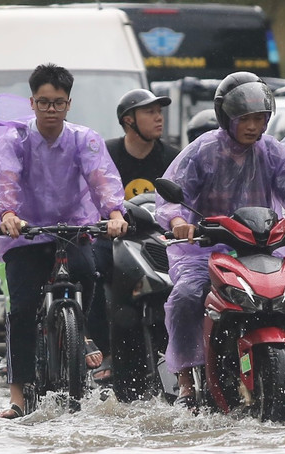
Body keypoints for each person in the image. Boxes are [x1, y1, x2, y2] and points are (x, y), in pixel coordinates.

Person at [156, 71, 285, 404]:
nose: (253, 126)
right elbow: (171, 196)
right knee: (186, 296)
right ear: (227, 117)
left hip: (263, 245)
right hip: (205, 248)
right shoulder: (203, 150)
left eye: (259, 118)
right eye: (245, 119)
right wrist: (180, 221)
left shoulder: (273, 152)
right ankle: (185, 378)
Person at [0, 62, 128, 419]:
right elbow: (5, 180)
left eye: (59, 103)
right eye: (44, 102)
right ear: (32, 102)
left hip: (72, 227)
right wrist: (8, 215)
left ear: (69, 104)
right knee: (20, 310)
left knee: (90, 273)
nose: (52, 110)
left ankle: (81, 335)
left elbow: (102, 178)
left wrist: (113, 213)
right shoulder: (14, 140)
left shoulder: (85, 139)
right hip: (26, 232)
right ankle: (17, 396)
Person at [86, 88, 182, 383]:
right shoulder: (107, 154)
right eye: (149, 112)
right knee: (92, 270)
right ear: (128, 120)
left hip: (159, 241)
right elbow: (90, 197)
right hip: (112, 239)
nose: (158, 118)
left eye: (160, 111)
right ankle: (103, 349)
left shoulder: (173, 157)